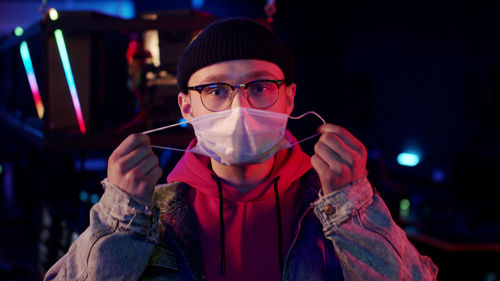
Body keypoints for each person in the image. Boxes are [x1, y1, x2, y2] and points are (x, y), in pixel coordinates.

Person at [44, 17, 438, 281]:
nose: (240, 108)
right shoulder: (151, 215)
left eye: (260, 87)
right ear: (187, 107)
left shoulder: (332, 206)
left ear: (288, 99)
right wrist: (120, 218)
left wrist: (355, 207)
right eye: (215, 90)